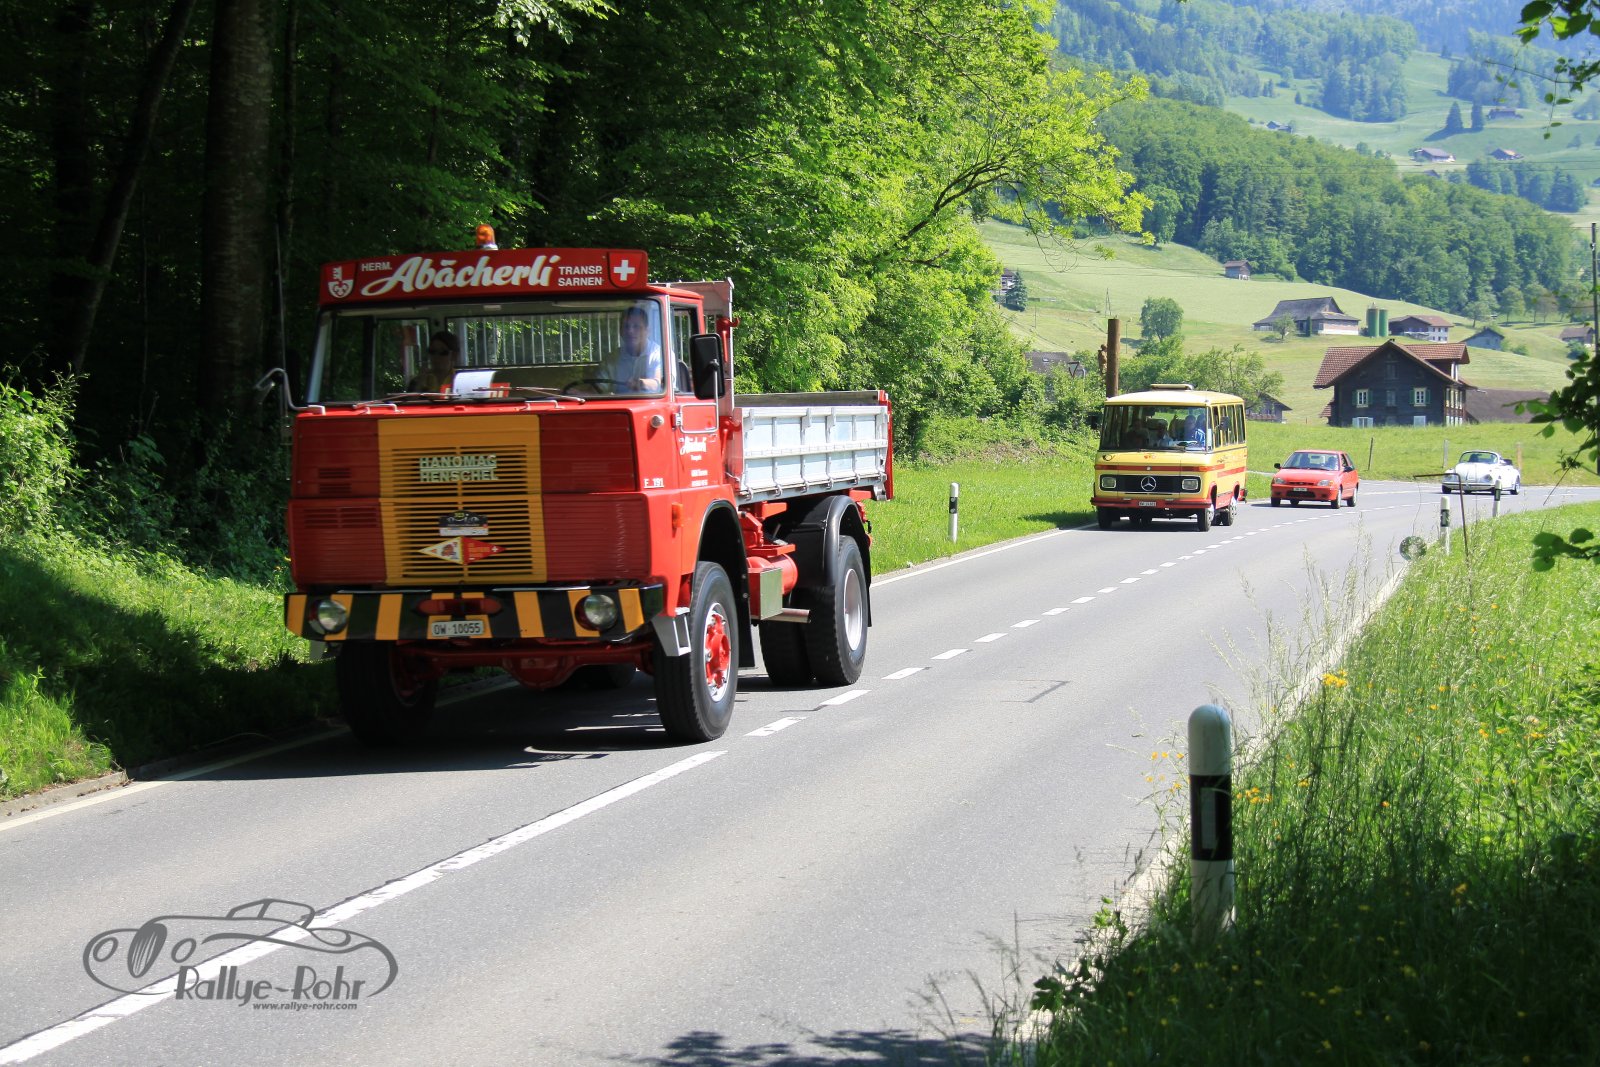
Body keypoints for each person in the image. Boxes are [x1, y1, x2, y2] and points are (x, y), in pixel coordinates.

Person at [608, 304, 663, 392]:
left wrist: (641, 383)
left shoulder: (660, 354)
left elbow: (660, 384)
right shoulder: (612, 359)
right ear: (620, 331)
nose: (630, 331)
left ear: (647, 331)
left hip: (652, 401)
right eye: (626, 326)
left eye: (636, 326)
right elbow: (597, 389)